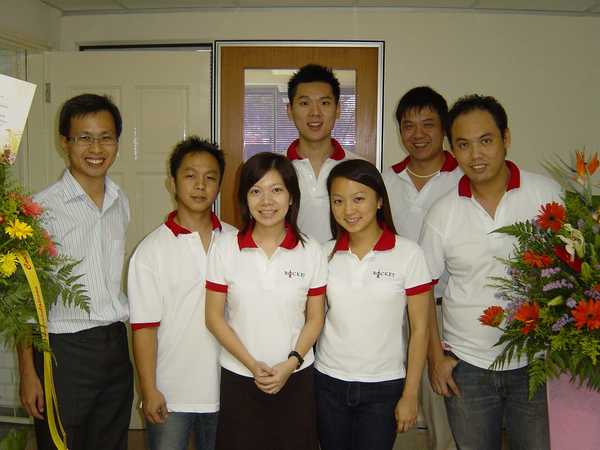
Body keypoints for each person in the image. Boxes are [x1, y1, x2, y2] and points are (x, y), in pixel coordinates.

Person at [420, 94, 561, 450]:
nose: (476, 155)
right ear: (453, 149)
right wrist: (436, 358)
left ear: (506, 138)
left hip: (536, 362)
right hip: (467, 365)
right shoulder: (443, 213)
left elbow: (573, 275)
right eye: (464, 145)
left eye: (486, 141)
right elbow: (422, 292)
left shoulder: (547, 194)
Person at [17, 93, 133, 450]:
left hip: (114, 344)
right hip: (62, 353)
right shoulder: (40, 210)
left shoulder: (119, 200)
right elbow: (22, 301)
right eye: (84, 137)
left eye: (106, 137)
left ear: (117, 141)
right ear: (64, 142)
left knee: (111, 442)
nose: (96, 147)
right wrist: (28, 373)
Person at [205, 152, 326, 450]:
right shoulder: (224, 249)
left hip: (296, 377)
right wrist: (251, 365)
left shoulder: (311, 251)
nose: (266, 201)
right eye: (256, 191)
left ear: (291, 197)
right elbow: (214, 317)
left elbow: (315, 318)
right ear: (245, 199)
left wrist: (290, 363)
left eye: (276, 190)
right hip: (240, 376)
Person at [314, 159, 433, 450]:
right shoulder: (323, 253)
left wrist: (410, 394)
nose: (348, 210)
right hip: (329, 381)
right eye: (338, 201)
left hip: (384, 386)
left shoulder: (408, 254)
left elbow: (420, 329)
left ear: (379, 200)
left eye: (358, 199)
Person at [128, 137, 235, 450]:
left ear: (219, 185)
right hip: (171, 391)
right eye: (190, 176)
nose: (200, 185)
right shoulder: (150, 252)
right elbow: (144, 328)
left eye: (210, 177)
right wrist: (149, 390)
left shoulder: (236, 241)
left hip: (227, 386)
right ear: (172, 182)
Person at [382, 86, 460, 450]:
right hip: (389, 308)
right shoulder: (384, 179)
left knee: (443, 402)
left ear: (444, 128)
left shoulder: (464, 179)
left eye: (428, 124)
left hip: (445, 309)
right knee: (393, 400)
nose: (418, 134)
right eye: (408, 125)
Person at [286, 63, 359, 243]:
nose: (315, 113)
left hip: (345, 269)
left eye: (325, 103)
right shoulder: (276, 170)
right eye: (304, 103)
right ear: (290, 111)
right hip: (290, 269)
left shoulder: (358, 168)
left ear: (338, 109)